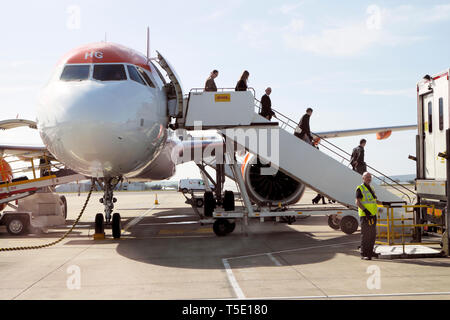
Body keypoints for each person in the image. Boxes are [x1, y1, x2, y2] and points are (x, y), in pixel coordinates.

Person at [356, 172, 384, 260]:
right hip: (365, 215)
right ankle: (364, 254)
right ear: (363, 178)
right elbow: (357, 202)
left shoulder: (371, 188)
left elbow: (374, 200)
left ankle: (370, 252)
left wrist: (384, 203)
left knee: (372, 235)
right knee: (365, 235)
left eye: (370, 177)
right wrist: (366, 211)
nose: (369, 178)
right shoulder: (360, 188)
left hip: (372, 215)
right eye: (367, 177)